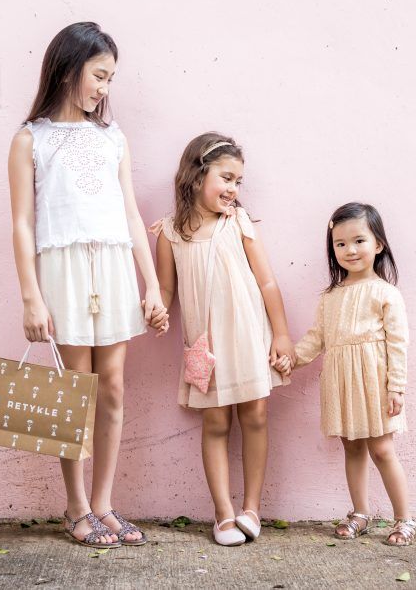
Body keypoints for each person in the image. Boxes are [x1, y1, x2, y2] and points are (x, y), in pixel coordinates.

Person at [7, 22, 168, 548]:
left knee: (113, 387)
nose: (105, 88)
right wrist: (31, 295)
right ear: (69, 66)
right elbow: (23, 223)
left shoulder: (112, 137)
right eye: (99, 75)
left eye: (111, 79)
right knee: (73, 392)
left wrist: (151, 287)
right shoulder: (31, 139)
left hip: (114, 266)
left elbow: (128, 212)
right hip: (65, 270)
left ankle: (103, 504)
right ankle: (75, 508)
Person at [151, 132, 294, 546]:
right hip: (205, 345)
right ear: (197, 175)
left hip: (249, 335)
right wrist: (156, 308)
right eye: (226, 178)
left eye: (239, 182)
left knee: (256, 415)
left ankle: (252, 508)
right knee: (214, 421)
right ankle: (223, 513)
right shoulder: (170, 233)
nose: (233, 189)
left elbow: (266, 282)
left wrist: (281, 335)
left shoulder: (238, 223)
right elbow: (166, 290)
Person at [282, 202, 416, 546]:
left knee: (382, 449)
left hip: (373, 381)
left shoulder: (386, 293)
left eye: (358, 240)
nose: (350, 250)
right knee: (352, 448)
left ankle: (405, 519)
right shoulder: (331, 297)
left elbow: (398, 344)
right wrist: (291, 359)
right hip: (341, 381)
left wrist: (396, 387)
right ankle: (360, 512)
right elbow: (317, 338)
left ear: (378, 245)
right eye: (340, 244)